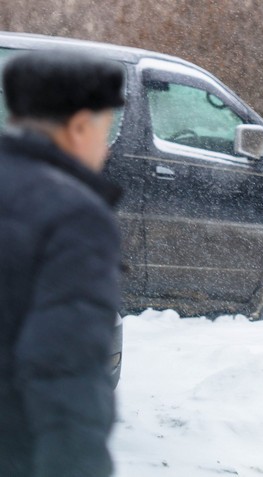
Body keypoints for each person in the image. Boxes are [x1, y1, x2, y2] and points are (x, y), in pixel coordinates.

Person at [0, 50, 125, 477]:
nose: (105, 149)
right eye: (104, 129)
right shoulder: (76, 217)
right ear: (77, 127)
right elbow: (65, 372)